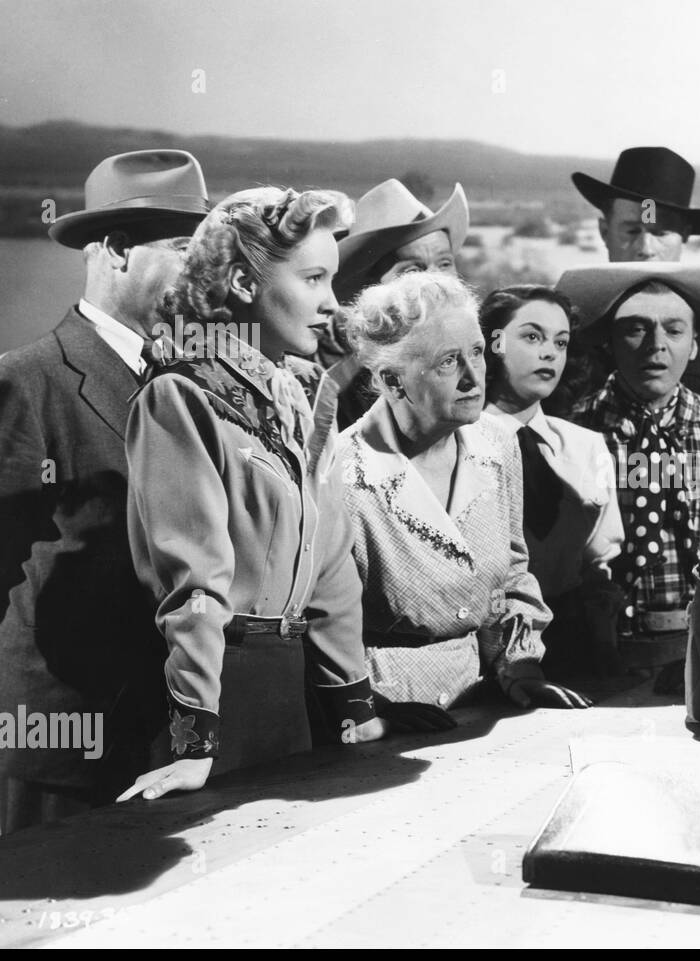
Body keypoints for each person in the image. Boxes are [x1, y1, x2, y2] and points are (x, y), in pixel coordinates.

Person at [118, 186, 451, 805]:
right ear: (245, 284)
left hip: (292, 699)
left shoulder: (300, 394)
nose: (332, 304)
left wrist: (354, 708)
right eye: (315, 278)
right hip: (211, 700)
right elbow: (194, 584)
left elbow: (330, 565)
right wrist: (194, 743)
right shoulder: (181, 396)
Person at [0, 150, 210, 834]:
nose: (202, 273)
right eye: (186, 249)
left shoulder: (194, 385)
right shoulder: (26, 385)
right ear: (117, 250)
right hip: (62, 757)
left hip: (170, 746)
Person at [334, 271, 590, 712]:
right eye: (448, 362)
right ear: (394, 381)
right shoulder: (344, 473)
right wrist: (363, 708)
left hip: (479, 707)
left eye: (477, 352)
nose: (474, 378)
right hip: (381, 714)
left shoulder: (496, 443)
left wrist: (521, 668)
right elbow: (322, 621)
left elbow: (511, 576)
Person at [561, 263, 700, 688]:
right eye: (636, 329)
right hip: (598, 656)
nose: (656, 346)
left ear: (694, 346)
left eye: (674, 331)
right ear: (609, 342)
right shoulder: (574, 433)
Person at [566, 147, 700, 443]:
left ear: (685, 234)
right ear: (603, 230)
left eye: (660, 232)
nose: (646, 248)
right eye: (632, 230)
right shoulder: (566, 327)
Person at [480, 285, 625, 682]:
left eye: (560, 343)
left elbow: (600, 563)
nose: (549, 353)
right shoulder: (456, 445)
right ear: (491, 343)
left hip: (573, 644)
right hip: (482, 647)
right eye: (532, 337)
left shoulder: (586, 446)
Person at [314, 179, 470, 432]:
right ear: (371, 288)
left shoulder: (478, 357)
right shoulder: (348, 385)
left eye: (444, 263)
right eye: (412, 269)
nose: (435, 280)